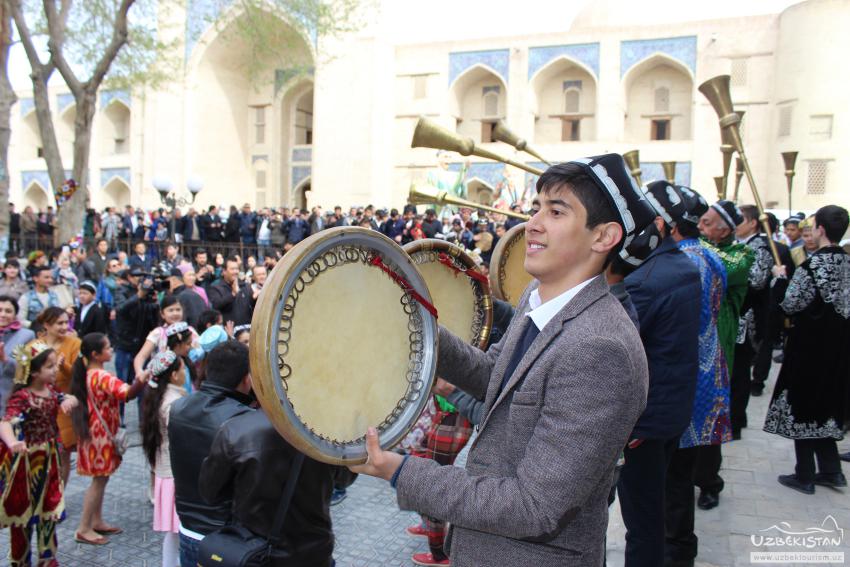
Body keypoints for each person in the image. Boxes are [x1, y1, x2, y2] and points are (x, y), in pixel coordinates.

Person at [351, 155, 653, 566]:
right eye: (536, 208)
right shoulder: (536, 296)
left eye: (556, 211)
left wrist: (400, 471)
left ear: (604, 237)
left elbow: (534, 507)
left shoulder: (601, 350)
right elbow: (496, 377)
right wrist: (418, 329)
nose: (533, 224)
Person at [618, 181, 701, 567]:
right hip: (670, 413)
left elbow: (612, 345)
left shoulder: (647, 281)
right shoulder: (681, 265)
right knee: (654, 510)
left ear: (658, 224)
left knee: (642, 523)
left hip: (645, 423)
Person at [663, 187, 731, 567]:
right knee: (681, 471)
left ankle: (677, 550)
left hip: (687, 376)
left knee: (673, 476)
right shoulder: (709, 256)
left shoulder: (682, 264)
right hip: (706, 371)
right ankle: (679, 545)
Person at [200, 405, 358, 566]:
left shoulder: (235, 430)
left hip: (255, 553)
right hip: (314, 552)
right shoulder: (328, 433)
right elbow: (345, 479)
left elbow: (210, 493)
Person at [764, 205, 850, 494]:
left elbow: (790, 304)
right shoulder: (848, 264)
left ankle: (805, 475)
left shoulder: (812, 266)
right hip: (840, 350)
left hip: (810, 350)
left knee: (803, 406)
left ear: (821, 229)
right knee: (827, 406)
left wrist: (779, 279)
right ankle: (831, 470)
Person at [168, 341, 255, 567]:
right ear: (247, 378)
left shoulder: (178, 408)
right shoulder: (243, 421)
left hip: (188, 527)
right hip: (227, 539)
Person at [695, 200, 753, 510]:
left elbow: (721, 269)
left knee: (712, 414)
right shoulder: (700, 249)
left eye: (705, 223)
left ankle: (709, 483)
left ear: (724, 230)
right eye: (699, 223)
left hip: (719, 340)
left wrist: (691, 242)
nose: (700, 229)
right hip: (692, 339)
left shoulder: (742, 255)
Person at [0, 341, 77, 566]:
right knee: (22, 514)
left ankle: (48, 557)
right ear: (34, 371)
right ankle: (20, 559)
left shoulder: (51, 391)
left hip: (49, 458)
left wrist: (70, 399)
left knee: (49, 509)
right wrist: (13, 441)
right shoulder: (22, 396)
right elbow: (5, 422)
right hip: (26, 462)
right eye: (50, 366)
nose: (56, 370)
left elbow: (66, 398)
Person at [70, 333, 147, 545]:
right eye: (107, 347)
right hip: (101, 437)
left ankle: (96, 520)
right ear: (96, 354)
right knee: (99, 480)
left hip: (94, 433)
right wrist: (142, 380)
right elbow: (127, 394)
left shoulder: (89, 373)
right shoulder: (102, 377)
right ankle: (84, 528)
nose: (111, 350)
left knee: (101, 480)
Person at [729, 205, 774, 439]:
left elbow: (756, 281)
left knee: (739, 372)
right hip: (739, 317)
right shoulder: (743, 244)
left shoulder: (759, 247)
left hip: (748, 319)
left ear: (753, 223)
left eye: (741, 220)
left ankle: (736, 419)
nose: (737, 224)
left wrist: (732, 272)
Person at [141, 350, 187, 567]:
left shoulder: (159, 396)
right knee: (178, 532)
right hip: (174, 473)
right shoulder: (172, 403)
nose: (186, 372)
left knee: (173, 533)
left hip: (165, 471)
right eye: (183, 368)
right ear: (174, 375)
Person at [35, 306, 81, 486]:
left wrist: (64, 367)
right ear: (46, 324)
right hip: (40, 405)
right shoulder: (35, 345)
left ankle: (59, 498)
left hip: (64, 406)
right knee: (41, 452)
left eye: (66, 322)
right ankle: (42, 495)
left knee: (63, 452)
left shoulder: (74, 343)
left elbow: (78, 376)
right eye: (59, 323)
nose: (64, 327)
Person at [0, 296, 36, 412]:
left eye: (8, 311)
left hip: (9, 397)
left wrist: (5, 360)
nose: (3, 314)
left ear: (15, 314)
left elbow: (23, 371)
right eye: (0, 310)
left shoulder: (25, 336)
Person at [208, 256, 253, 325]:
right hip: (228, 330)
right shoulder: (216, 287)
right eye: (232, 269)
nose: (235, 271)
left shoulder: (245, 285)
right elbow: (216, 305)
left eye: (237, 269)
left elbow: (251, 305)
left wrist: (255, 298)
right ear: (224, 271)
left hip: (247, 328)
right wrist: (233, 294)